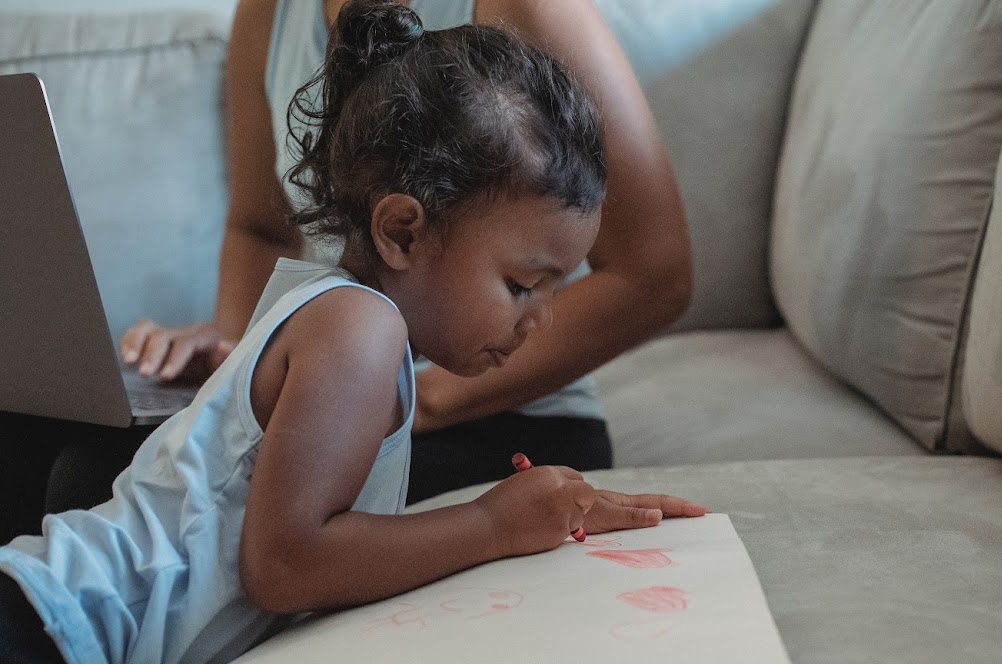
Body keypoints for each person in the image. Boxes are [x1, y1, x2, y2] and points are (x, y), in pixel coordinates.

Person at [0, 7, 707, 664]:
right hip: (46, 659)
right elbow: (286, 563)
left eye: (553, 288)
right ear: (402, 230)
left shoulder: (338, 313)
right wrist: (494, 524)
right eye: (521, 284)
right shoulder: (361, 335)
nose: (540, 319)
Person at [113, 0, 692, 507]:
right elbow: (261, 227)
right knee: (79, 446)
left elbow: (655, 275)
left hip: (500, 417)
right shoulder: (268, 12)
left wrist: (414, 403)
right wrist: (236, 364)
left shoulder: (529, 8)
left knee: (99, 477)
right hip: (345, 388)